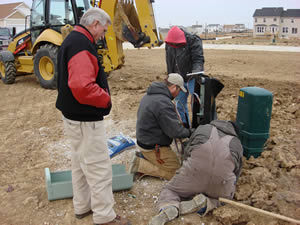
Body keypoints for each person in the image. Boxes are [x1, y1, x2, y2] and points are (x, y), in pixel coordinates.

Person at [55, 8, 130, 225]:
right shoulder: (81, 44)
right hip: (85, 120)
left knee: (79, 164)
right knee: (99, 170)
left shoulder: (72, 40)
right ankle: (105, 217)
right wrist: (105, 100)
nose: (103, 35)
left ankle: (83, 207)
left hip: (73, 117)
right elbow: (81, 86)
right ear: (95, 23)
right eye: (103, 30)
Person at [148, 120, 243, 225]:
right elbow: (236, 174)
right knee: (224, 200)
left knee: (171, 190)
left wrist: (185, 172)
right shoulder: (237, 144)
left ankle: (169, 206)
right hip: (221, 184)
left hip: (192, 174)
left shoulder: (202, 129)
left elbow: (187, 153)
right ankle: (208, 203)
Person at [130, 73, 193, 180]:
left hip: (146, 140)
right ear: (174, 87)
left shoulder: (153, 94)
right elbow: (175, 132)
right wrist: (190, 132)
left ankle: (145, 157)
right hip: (153, 147)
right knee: (178, 175)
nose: (178, 94)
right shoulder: (163, 102)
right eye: (179, 90)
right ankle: (141, 165)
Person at [165, 26, 205, 128]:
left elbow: (198, 59)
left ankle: (199, 128)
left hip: (192, 78)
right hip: (178, 80)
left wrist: (196, 72)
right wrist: (170, 76)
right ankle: (185, 127)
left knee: (197, 105)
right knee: (179, 105)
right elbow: (169, 61)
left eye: (177, 44)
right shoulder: (169, 43)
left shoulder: (193, 41)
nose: (174, 46)